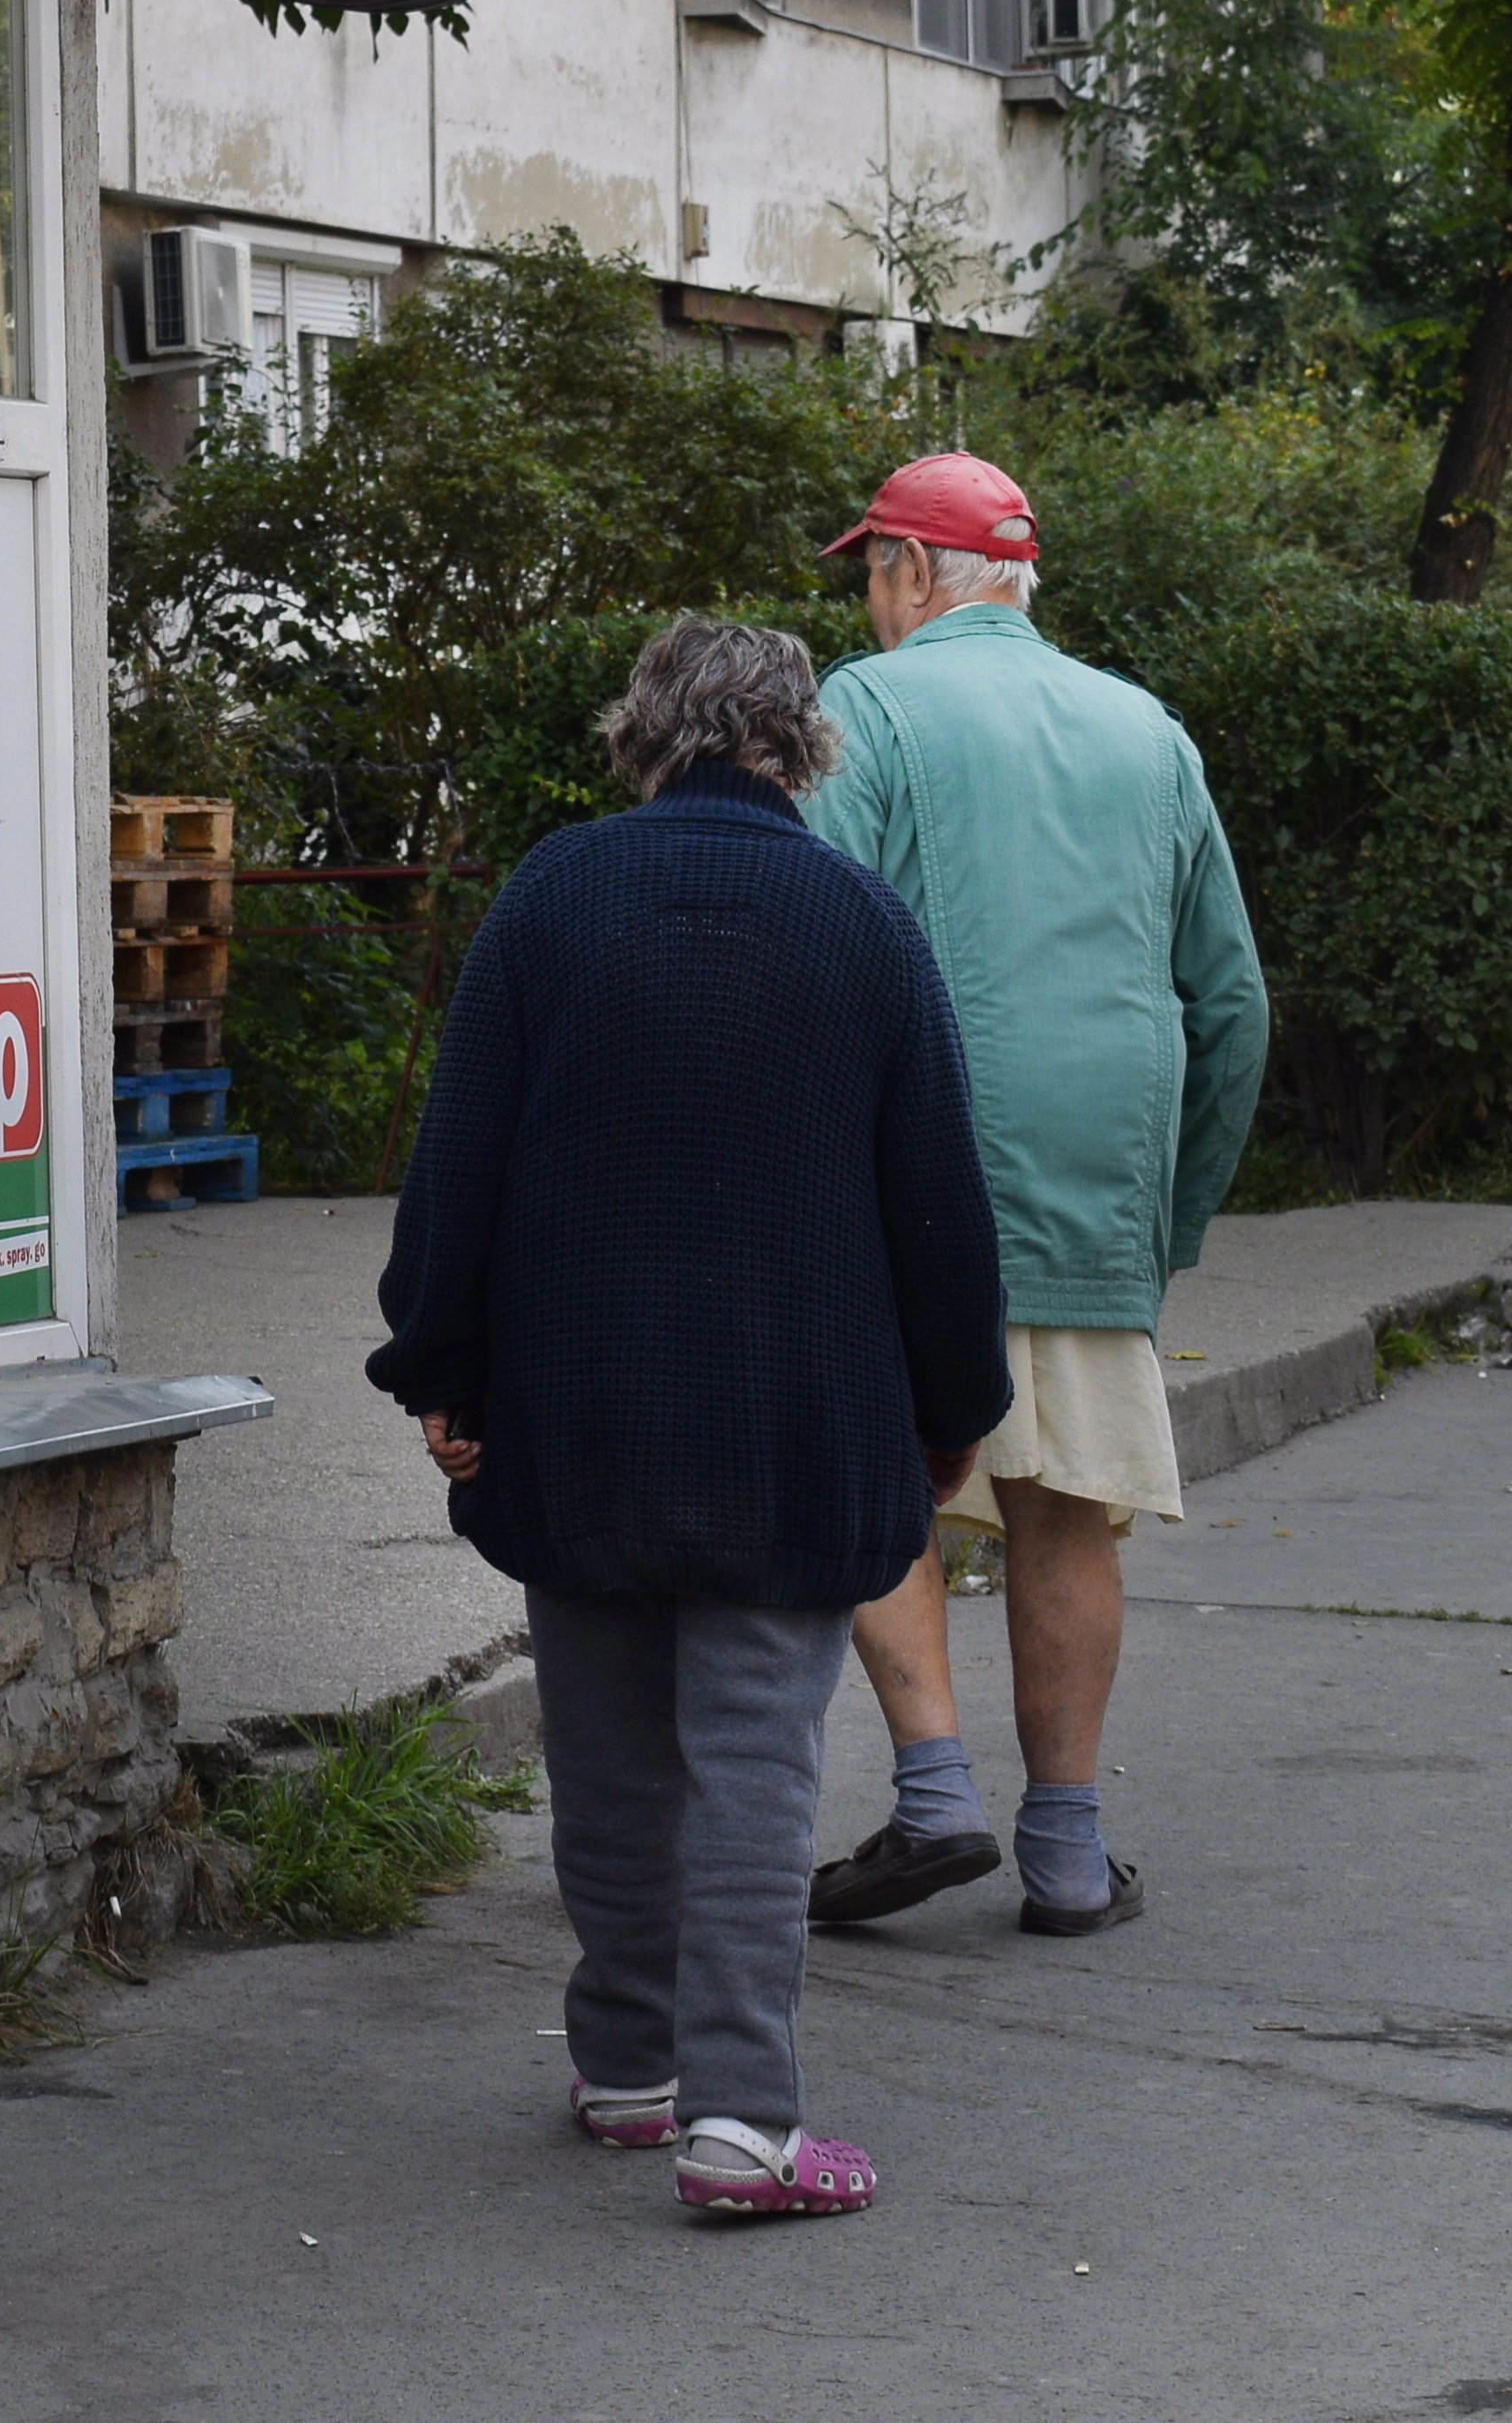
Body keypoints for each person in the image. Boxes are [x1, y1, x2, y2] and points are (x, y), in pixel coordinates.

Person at [368, 616, 1010, 2222]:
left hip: (574, 1409)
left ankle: (626, 2067)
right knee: (751, 1758)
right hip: (793, 1416)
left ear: (639, 733)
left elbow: (459, 1166)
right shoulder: (862, 921)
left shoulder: (550, 898)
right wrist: (951, 1416)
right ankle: (744, 2124)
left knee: (601, 1750)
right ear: (801, 747)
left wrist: (443, 1365)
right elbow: (938, 1209)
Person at [798, 452, 1270, 1941]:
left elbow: (816, 949)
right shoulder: (1148, 731)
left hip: (910, 1175)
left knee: (888, 1492)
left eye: (869, 569)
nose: (868, 601)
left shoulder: (860, 709)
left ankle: (933, 1787)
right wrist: (1168, 1221)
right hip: (1093, 1185)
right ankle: (1066, 1849)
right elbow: (1231, 1007)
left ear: (909, 573)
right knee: (1068, 1513)